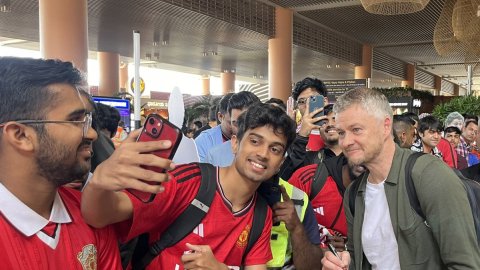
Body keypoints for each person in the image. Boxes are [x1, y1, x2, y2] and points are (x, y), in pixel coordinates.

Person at [82, 103, 303, 269]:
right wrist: (99, 181)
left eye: (275, 149)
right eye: (255, 141)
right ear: (235, 143)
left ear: (281, 162)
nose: (263, 154)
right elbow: (98, 215)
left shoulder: (261, 213)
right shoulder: (188, 182)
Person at [322, 88, 480, 270]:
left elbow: (465, 264)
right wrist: (342, 264)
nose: (346, 141)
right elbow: (358, 258)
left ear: (386, 126)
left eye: (356, 129)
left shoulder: (428, 175)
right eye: (341, 133)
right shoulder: (354, 194)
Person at [0, 57, 122, 269]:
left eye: (88, 121)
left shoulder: (91, 214)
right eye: (76, 121)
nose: (92, 134)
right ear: (20, 135)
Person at [205, 91, 260, 166]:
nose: (242, 129)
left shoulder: (269, 154)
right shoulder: (214, 156)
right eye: (236, 124)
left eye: (248, 123)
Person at [291, 77, 329, 151]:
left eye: (312, 100)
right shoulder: (291, 136)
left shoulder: (337, 131)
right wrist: (302, 136)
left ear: (324, 101)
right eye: (301, 102)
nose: (307, 105)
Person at [195, 93, 234, 162]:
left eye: (244, 123)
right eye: (232, 123)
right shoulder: (204, 141)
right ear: (220, 117)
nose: (239, 128)